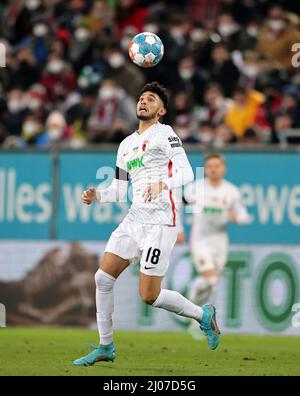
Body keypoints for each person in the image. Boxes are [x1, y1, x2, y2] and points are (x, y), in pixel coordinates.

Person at [73, 82, 221, 366]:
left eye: (151, 99)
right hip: (135, 218)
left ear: (161, 110)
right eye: (141, 98)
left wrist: (161, 184)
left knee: (149, 296)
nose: (143, 102)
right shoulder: (125, 145)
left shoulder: (166, 134)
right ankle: (106, 346)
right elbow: (118, 188)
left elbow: (187, 172)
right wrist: (98, 195)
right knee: (102, 278)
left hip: (161, 221)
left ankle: (203, 315)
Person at [177, 153, 251, 338]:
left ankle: (197, 326)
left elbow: (244, 215)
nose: (213, 169)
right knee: (209, 279)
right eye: (209, 166)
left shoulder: (231, 191)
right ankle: (191, 298)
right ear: (205, 169)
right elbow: (177, 204)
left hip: (220, 242)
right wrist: (178, 228)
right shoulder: (196, 189)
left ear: (223, 168)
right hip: (200, 240)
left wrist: (237, 218)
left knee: (212, 284)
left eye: (217, 166)